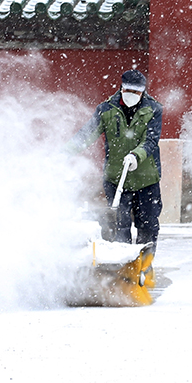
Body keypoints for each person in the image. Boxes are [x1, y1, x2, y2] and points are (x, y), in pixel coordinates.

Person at [70, 69, 163, 256]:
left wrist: (136, 155)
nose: (132, 95)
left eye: (136, 92)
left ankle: (143, 267)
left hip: (146, 180)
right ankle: (122, 268)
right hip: (116, 178)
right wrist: (63, 153)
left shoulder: (154, 109)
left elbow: (151, 140)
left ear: (143, 92)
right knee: (119, 227)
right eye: (128, 90)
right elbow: (86, 134)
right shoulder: (106, 109)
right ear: (121, 88)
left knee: (148, 227)